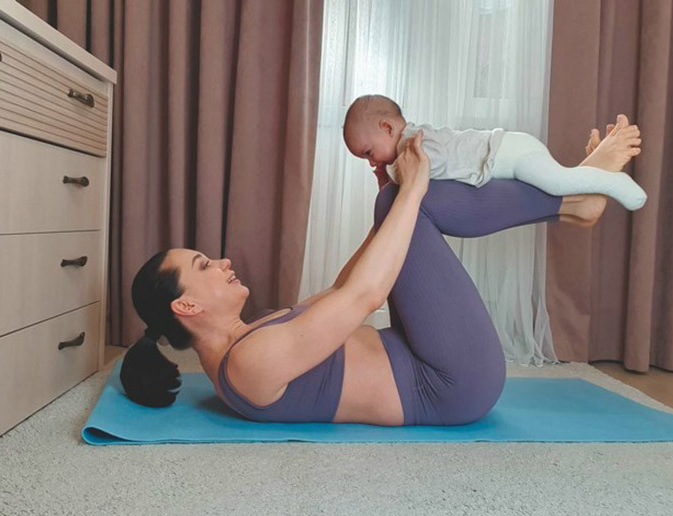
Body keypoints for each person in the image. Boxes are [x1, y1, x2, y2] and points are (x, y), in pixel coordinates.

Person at [120, 121, 638, 426]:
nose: (223, 263)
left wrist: (392, 200)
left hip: (423, 355)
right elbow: (365, 296)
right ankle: (575, 197)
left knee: (395, 202)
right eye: (204, 266)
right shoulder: (248, 364)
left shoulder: (248, 342)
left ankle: (575, 200)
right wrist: (411, 191)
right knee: (407, 199)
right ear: (185, 306)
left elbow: (342, 288)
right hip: (449, 383)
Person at [342, 94, 646, 210]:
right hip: (507, 152)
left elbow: (426, 168)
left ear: (387, 127)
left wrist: (391, 176)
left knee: (558, 183)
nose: (371, 161)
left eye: (369, 152)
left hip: (510, 153)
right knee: (558, 184)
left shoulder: (415, 143)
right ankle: (595, 171)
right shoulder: (410, 143)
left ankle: (612, 181)